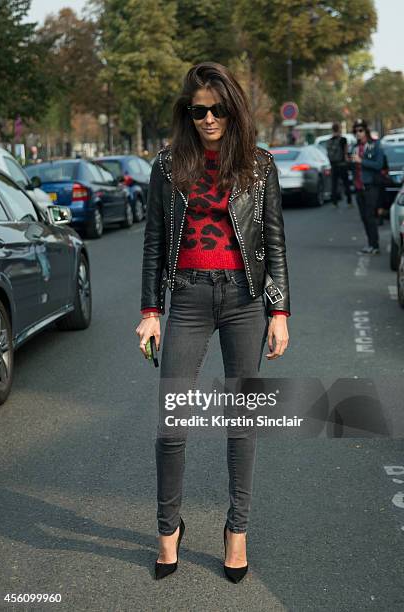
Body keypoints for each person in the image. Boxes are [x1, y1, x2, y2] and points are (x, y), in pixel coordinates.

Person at [135, 62, 290, 583]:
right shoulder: (167, 166)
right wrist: (150, 312)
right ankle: (168, 527)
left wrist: (280, 311)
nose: (207, 118)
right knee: (172, 423)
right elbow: (155, 243)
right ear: (187, 114)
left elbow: (273, 243)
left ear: (233, 109)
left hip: (246, 301)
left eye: (217, 109)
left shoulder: (260, 166)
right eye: (197, 110)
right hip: (188, 297)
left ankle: (237, 530)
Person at [351, 119, 384, 254]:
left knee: (370, 216)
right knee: (364, 217)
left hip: (371, 186)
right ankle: (370, 244)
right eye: (356, 131)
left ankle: (375, 245)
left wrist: (361, 161)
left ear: (366, 131)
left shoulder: (375, 145)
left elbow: (379, 165)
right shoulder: (354, 147)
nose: (358, 133)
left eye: (361, 130)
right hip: (358, 187)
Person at [326, 122, 352, 208]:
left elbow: (328, 154)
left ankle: (334, 203)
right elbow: (345, 152)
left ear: (332, 129)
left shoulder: (329, 141)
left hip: (333, 165)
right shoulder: (343, 139)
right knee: (346, 183)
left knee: (334, 184)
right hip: (342, 164)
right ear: (339, 129)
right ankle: (349, 202)